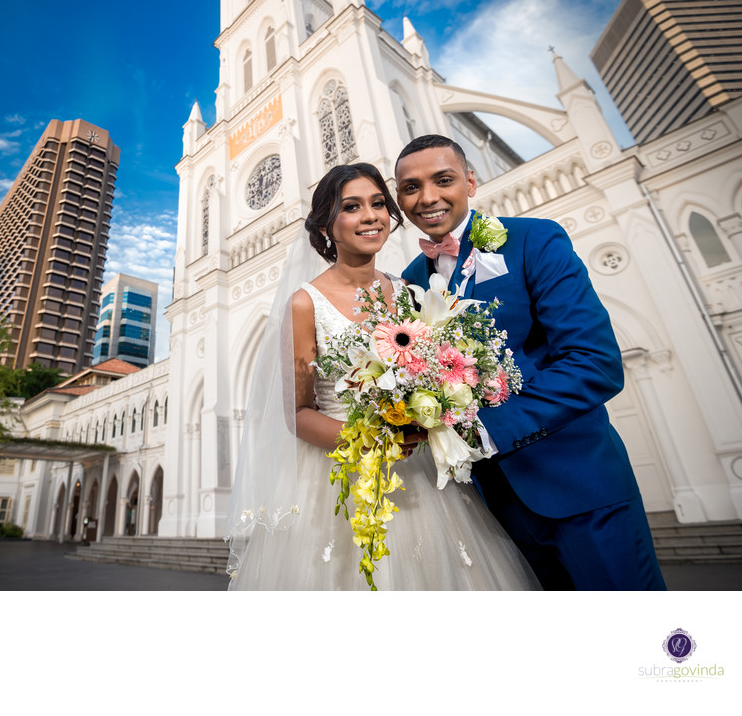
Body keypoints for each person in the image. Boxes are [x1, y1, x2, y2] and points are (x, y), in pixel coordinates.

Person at [225, 161, 540, 590]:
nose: (371, 215)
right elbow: (297, 413)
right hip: (344, 476)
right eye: (352, 206)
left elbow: (432, 368)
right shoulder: (305, 304)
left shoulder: (410, 291)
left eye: (378, 204)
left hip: (421, 473)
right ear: (325, 226)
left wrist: (438, 405)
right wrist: (374, 440)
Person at [394, 134, 666, 591]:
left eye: (443, 180)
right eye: (410, 187)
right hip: (489, 510)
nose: (428, 198)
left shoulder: (534, 240)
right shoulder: (410, 280)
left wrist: (488, 431)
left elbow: (594, 362)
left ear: (471, 181)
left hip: (578, 485)